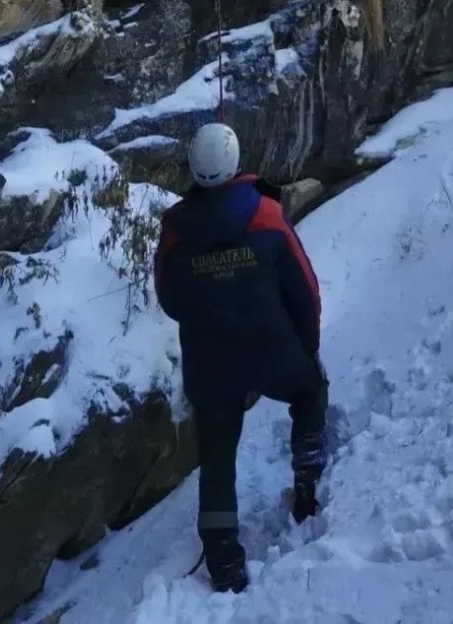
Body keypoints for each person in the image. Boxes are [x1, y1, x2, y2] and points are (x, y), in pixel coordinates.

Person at [153, 121, 328, 595]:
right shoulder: (267, 216)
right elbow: (304, 288)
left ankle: (223, 558)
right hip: (271, 346)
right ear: (235, 162)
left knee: (216, 456)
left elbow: (170, 299)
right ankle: (308, 477)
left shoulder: (175, 231)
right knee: (310, 390)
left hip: (210, 360)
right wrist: (307, 347)